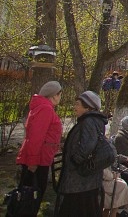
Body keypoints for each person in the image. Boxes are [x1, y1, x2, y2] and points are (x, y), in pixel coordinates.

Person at [55, 91, 113, 217]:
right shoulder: (94, 121)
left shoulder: (89, 122)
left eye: (78, 104)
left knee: (75, 209)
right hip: (87, 180)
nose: (74, 107)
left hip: (79, 180)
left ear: (88, 107)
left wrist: (76, 160)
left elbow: (87, 145)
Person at [14, 80, 63, 217]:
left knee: (29, 195)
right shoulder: (45, 109)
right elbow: (36, 137)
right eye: (60, 94)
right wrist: (33, 162)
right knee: (30, 197)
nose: (60, 98)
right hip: (37, 160)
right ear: (54, 95)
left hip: (40, 158)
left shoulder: (42, 107)